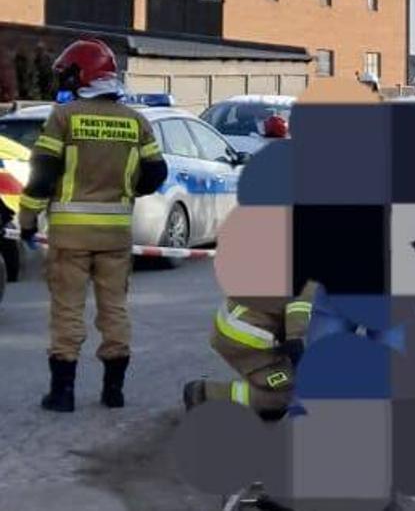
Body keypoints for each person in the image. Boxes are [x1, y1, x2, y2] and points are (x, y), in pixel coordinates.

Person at [17, 39, 168, 412]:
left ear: (82, 74)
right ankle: (113, 392)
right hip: (115, 234)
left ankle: (63, 394)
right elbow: (156, 173)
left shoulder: (64, 117)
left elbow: (42, 175)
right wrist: (126, 189)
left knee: (67, 310)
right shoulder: (136, 121)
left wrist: (27, 218)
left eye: (69, 73)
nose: (65, 80)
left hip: (70, 235)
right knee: (114, 309)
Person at [182, 280, 317, 419]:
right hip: (243, 339)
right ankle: (204, 394)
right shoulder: (310, 285)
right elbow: (297, 339)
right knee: (286, 392)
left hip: (241, 326)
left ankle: (264, 411)